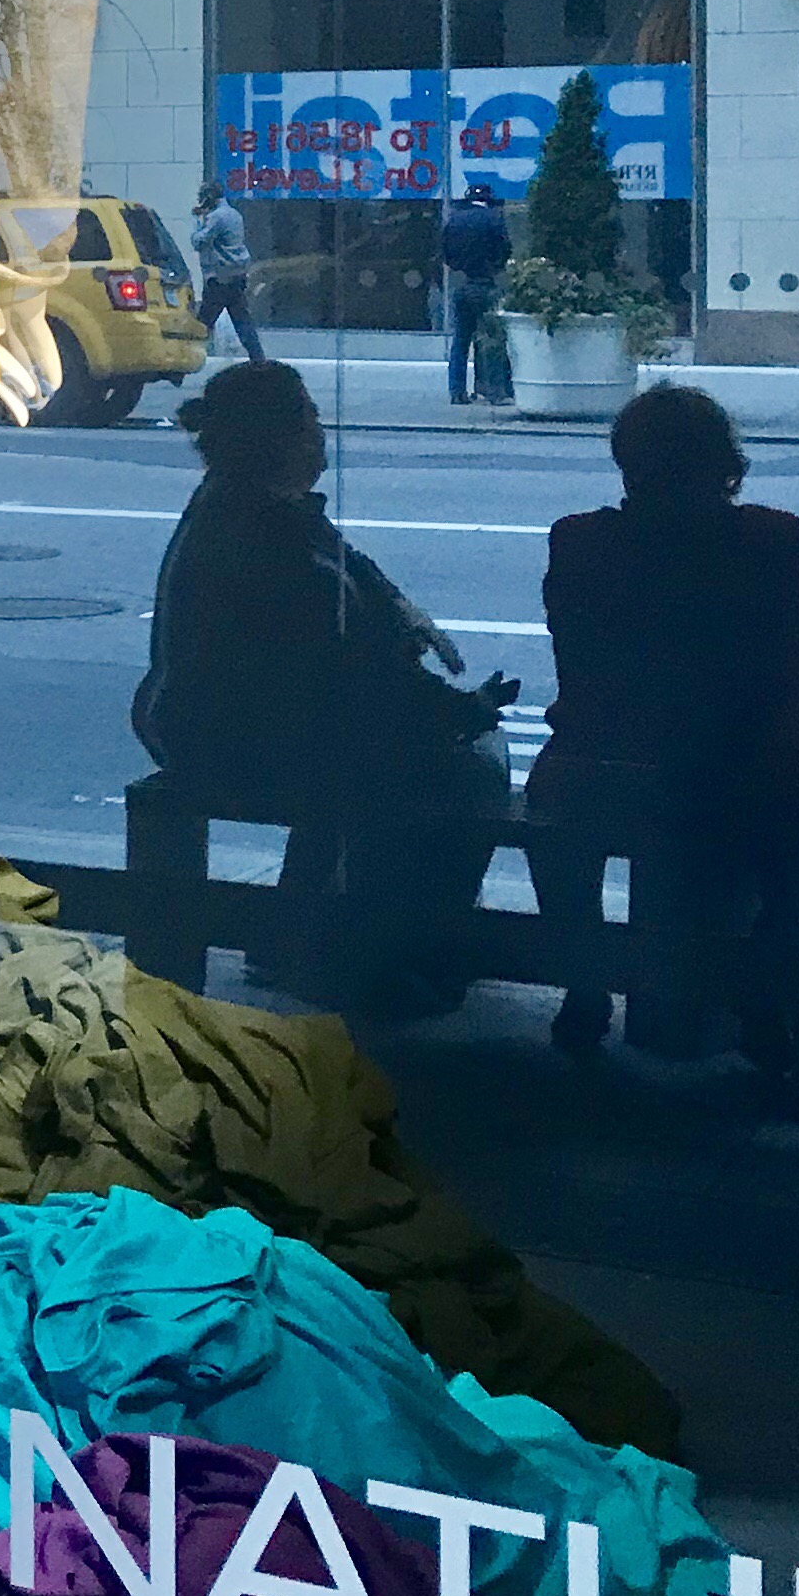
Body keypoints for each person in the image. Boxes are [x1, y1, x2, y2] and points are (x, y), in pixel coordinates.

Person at [132, 356, 513, 1014]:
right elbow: (353, 671)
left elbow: (348, 596)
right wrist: (462, 711)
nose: (320, 430)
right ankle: (395, 948)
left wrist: (402, 619)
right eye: (309, 416)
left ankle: (297, 934)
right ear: (280, 436)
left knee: (361, 758)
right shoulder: (265, 535)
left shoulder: (243, 507)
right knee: (468, 770)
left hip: (205, 718)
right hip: (236, 737)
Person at [523, 384, 799, 1112]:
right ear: (724, 462)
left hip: (603, 771)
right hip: (740, 778)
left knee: (556, 821)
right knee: (798, 834)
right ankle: (768, 1006)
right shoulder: (773, 540)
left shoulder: (579, 541)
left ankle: (584, 981)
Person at [439, 178, 511, 405]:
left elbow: (445, 253)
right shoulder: (494, 219)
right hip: (486, 284)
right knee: (491, 339)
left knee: (460, 340)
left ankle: (457, 391)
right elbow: (504, 249)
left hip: (463, 284)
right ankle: (494, 390)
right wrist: (495, 267)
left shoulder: (454, 220)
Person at [189, 182, 264, 363]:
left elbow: (198, 241)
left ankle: (189, 356)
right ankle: (258, 358)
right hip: (236, 276)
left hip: (219, 278)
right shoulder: (234, 214)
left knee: (203, 322)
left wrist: (197, 220)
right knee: (242, 320)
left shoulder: (216, 217)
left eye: (202, 197)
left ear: (208, 197)